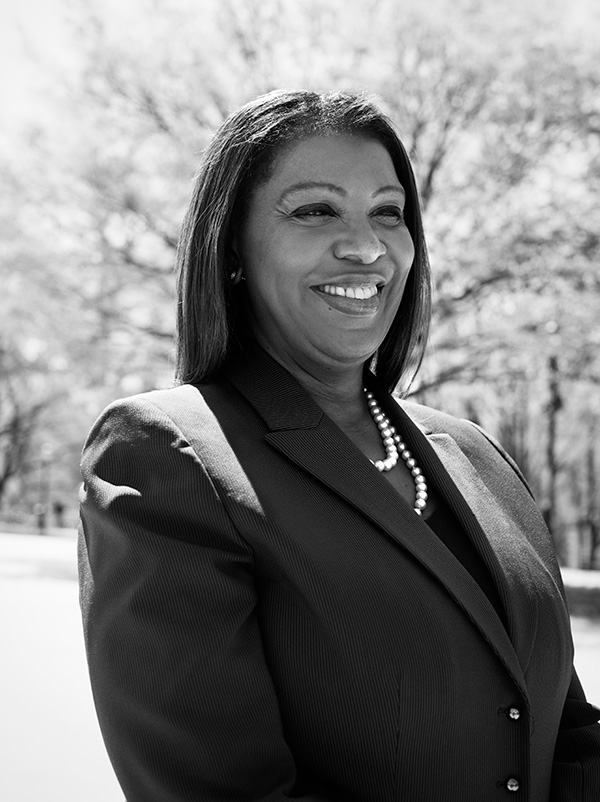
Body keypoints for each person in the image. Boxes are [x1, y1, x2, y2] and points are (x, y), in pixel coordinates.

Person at [78, 90, 600, 802]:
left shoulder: (476, 453)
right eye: (315, 210)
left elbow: (564, 731)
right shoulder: (168, 453)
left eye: (389, 212)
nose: (367, 245)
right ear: (232, 247)